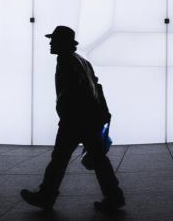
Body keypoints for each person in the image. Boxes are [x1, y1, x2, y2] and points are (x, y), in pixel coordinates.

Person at [20, 25, 125, 212]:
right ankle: (114, 196)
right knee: (98, 159)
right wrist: (104, 112)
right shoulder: (83, 61)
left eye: (54, 40)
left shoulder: (65, 61)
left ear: (63, 42)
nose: (50, 43)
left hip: (74, 121)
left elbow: (71, 93)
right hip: (89, 119)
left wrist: (65, 115)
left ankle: (46, 196)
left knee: (59, 159)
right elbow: (97, 87)